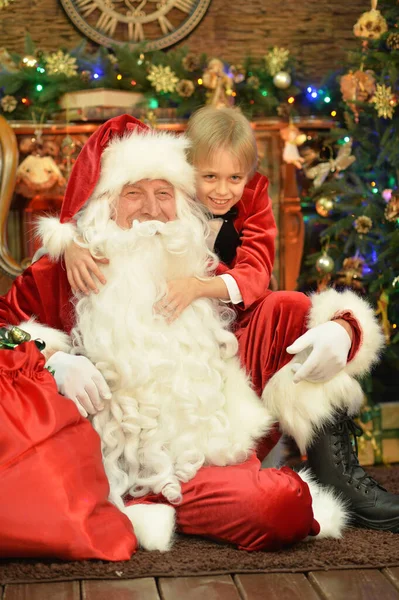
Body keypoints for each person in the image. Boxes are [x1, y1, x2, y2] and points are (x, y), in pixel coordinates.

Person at [0, 115, 353, 553]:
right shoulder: (58, 273)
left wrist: (344, 329)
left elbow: (276, 313)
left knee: (281, 505)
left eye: (163, 193)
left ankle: (336, 479)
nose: (151, 209)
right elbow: (3, 333)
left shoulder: (191, 263)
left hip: (199, 464)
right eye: (133, 193)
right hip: (99, 473)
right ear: (103, 202)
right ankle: (129, 502)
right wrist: (51, 361)